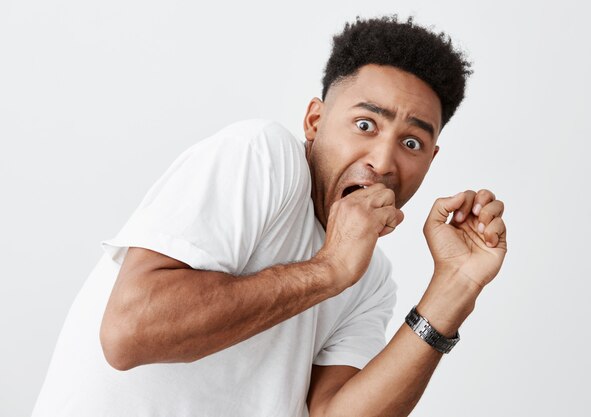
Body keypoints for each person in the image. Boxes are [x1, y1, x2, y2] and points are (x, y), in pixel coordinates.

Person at [32, 15, 507, 417]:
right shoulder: (263, 156)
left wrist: (455, 288)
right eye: (365, 125)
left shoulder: (371, 279)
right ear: (315, 122)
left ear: (431, 159)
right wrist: (330, 269)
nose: (383, 162)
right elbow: (128, 332)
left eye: (411, 143)